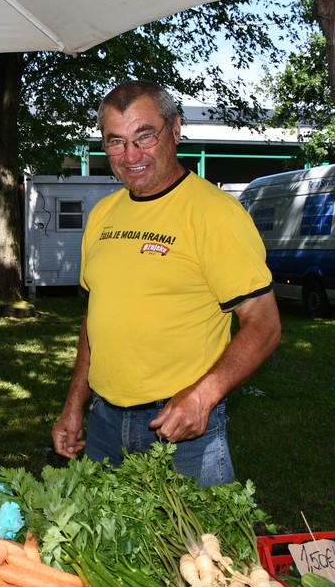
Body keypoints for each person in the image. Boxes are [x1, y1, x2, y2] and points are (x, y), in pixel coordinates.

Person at [50, 80, 281, 487]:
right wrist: (74, 406)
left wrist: (203, 396)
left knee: (197, 550)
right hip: (104, 425)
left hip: (181, 429)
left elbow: (264, 324)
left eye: (145, 136)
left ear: (175, 130)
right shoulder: (103, 215)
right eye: (116, 142)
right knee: (108, 550)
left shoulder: (215, 214)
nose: (131, 156)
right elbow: (95, 319)